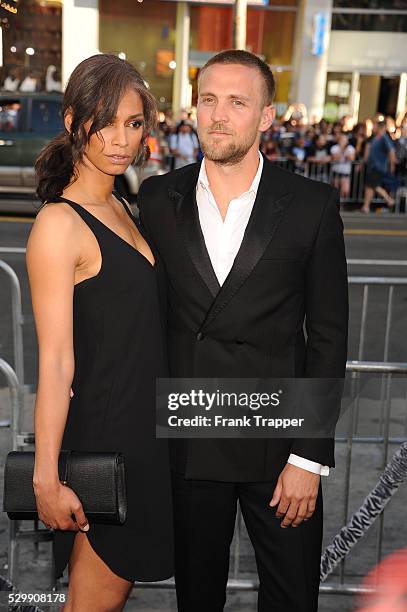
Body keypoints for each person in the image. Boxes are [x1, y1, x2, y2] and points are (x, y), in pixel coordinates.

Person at [138, 49, 348, 612]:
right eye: (208, 99)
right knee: (196, 599)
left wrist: (309, 458)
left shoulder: (311, 204)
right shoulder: (157, 198)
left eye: (237, 101)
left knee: (290, 598)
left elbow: (328, 337)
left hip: (279, 445)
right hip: (190, 435)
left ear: (267, 116)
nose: (218, 115)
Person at [27, 54, 173, 611]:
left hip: (145, 438)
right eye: (105, 121)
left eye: (134, 123)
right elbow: (57, 361)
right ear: (72, 121)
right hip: (105, 445)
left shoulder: (120, 203)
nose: (120, 139)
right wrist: (46, 477)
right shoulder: (59, 224)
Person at [362, 120, 396, 213]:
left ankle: (388, 199)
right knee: (370, 186)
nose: (373, 128)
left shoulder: (384, 138)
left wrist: (392, 165)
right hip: (372, 166)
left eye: (375, 126)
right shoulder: (375, 138)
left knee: (372, 185)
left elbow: (391, 151)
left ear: (379, 127)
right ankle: (366, 206)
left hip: (378, 167)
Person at [330, 134, 356, 199]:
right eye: (342, 140)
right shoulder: (334, 147)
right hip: (336, 172)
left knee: (345, 190)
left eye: (345, 140)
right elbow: (335, 158)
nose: (343, 142)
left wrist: (345, 151)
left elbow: (351, 158)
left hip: (345, 172)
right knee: (335, 189)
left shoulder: (351, 148)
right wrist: (342, 149)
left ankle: (342, 204)